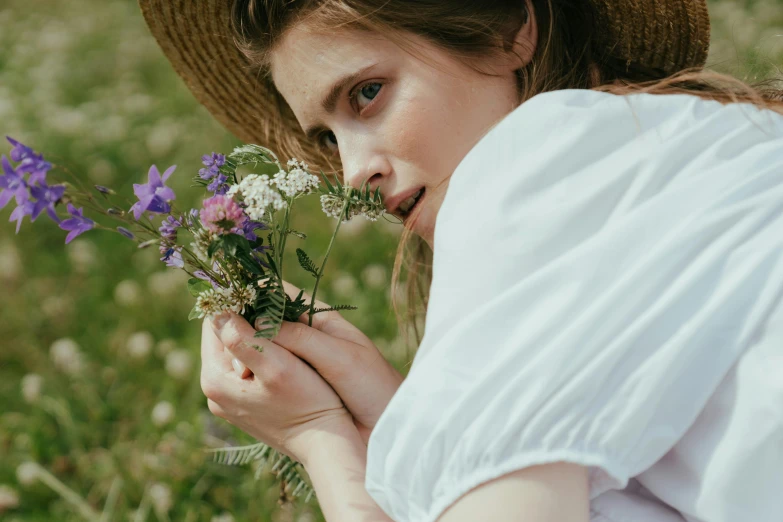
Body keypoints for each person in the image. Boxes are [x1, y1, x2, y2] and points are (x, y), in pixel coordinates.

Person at [140, 0, 783, 520]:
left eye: (367, 93)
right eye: (327, 138)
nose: (353, 171)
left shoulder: (523, 162)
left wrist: (321, 439)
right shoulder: (692, 145)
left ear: (510, 30)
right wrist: (400, 420)